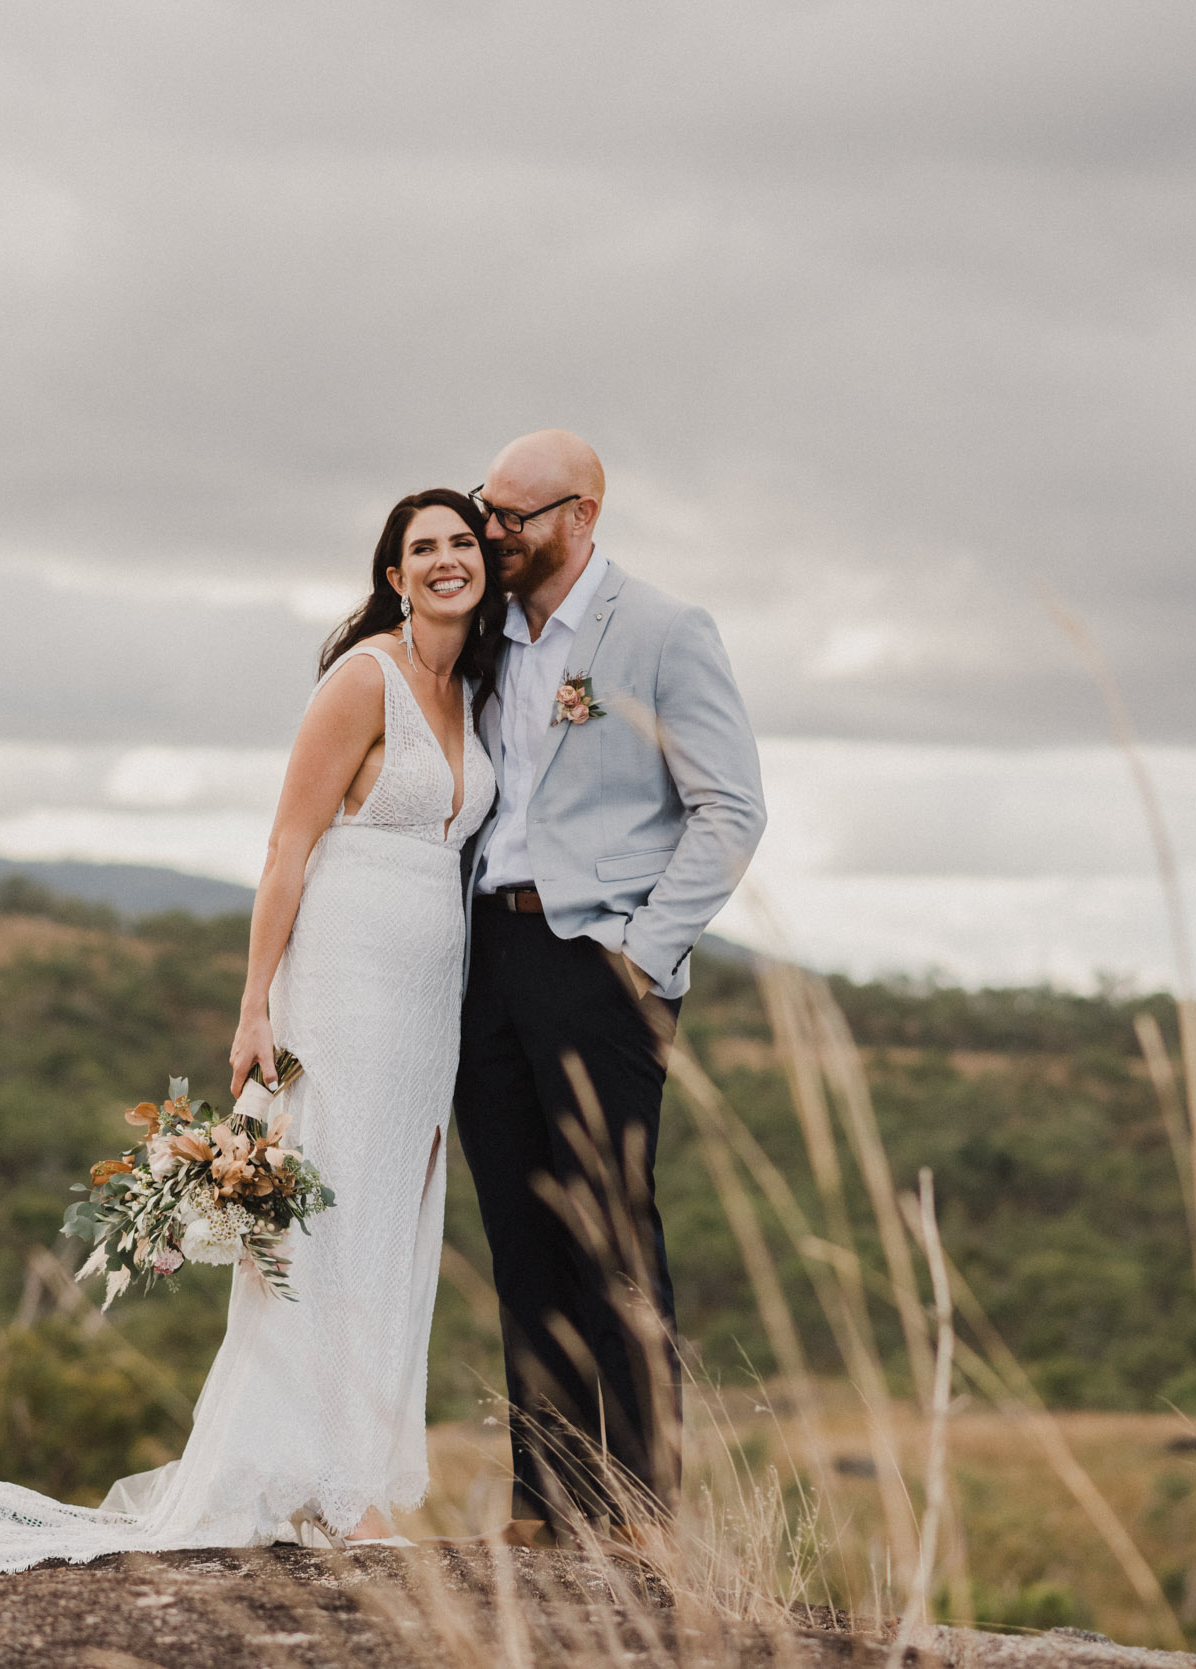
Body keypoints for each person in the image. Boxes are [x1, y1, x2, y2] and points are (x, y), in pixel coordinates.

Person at [0, 488, 502, 1576]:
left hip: (426, 1001)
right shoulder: (365, 680)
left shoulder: (472, 689)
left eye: (461, 542)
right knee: (330, 1217)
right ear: (393, 577)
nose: (447, 560)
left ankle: (353, 1468)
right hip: (344, 984)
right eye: (423, 549)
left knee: (397, 1219)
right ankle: (328, 1487)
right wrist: (255, 1004)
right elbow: (286, 847)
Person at [453, 429, 765, 1548]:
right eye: (487, 511)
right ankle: (542, 1506)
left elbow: (731, 808)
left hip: (598, 964)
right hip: (484, 961)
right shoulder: (484, 627)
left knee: (613, 1241)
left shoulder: (667, 632)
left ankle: (636, 1515)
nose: (494, 533)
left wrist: (643, 955)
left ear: (582, 516)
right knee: (520, 1235)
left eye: (514, 517)